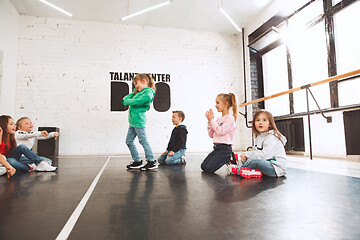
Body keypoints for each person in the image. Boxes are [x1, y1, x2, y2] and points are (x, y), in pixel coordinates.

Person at [227, 109, 287, 178]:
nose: (260, 123)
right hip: (266, 162)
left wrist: (247, 154)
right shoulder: (260, 136)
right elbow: (257, 152)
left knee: (255, 161)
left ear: (269, 124)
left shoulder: (271, 137)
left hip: (275, 168)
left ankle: (238, 170)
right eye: (258, 120)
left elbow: (264, 155)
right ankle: (251, 171)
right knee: (248, 159)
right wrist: (247, 156)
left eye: (264, 120)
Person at [122, 73, 157, 170]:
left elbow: (136, 100)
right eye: (134, 84)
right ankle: (137, 161)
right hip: (132, 122)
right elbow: (125, 99)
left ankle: (151, 161)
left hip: (139, 121)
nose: (136, 86)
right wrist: (133, 96)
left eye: (136, 83)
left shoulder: (148, 92)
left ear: (144, 81)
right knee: (129, 141)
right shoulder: (137, 93)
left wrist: (131, 100)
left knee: (143, 141)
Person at [201, 93, 237, 173]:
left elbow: (220, 131)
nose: (215, 105)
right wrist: (209, 121)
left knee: (209, 169)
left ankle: (228, 158)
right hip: (217, 148)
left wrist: (212, 120)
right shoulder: (218, 119)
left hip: (225, 150)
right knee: (203, 166)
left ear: (226, 103)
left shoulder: (230, 118)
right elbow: (211, 135)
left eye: (217, 103)